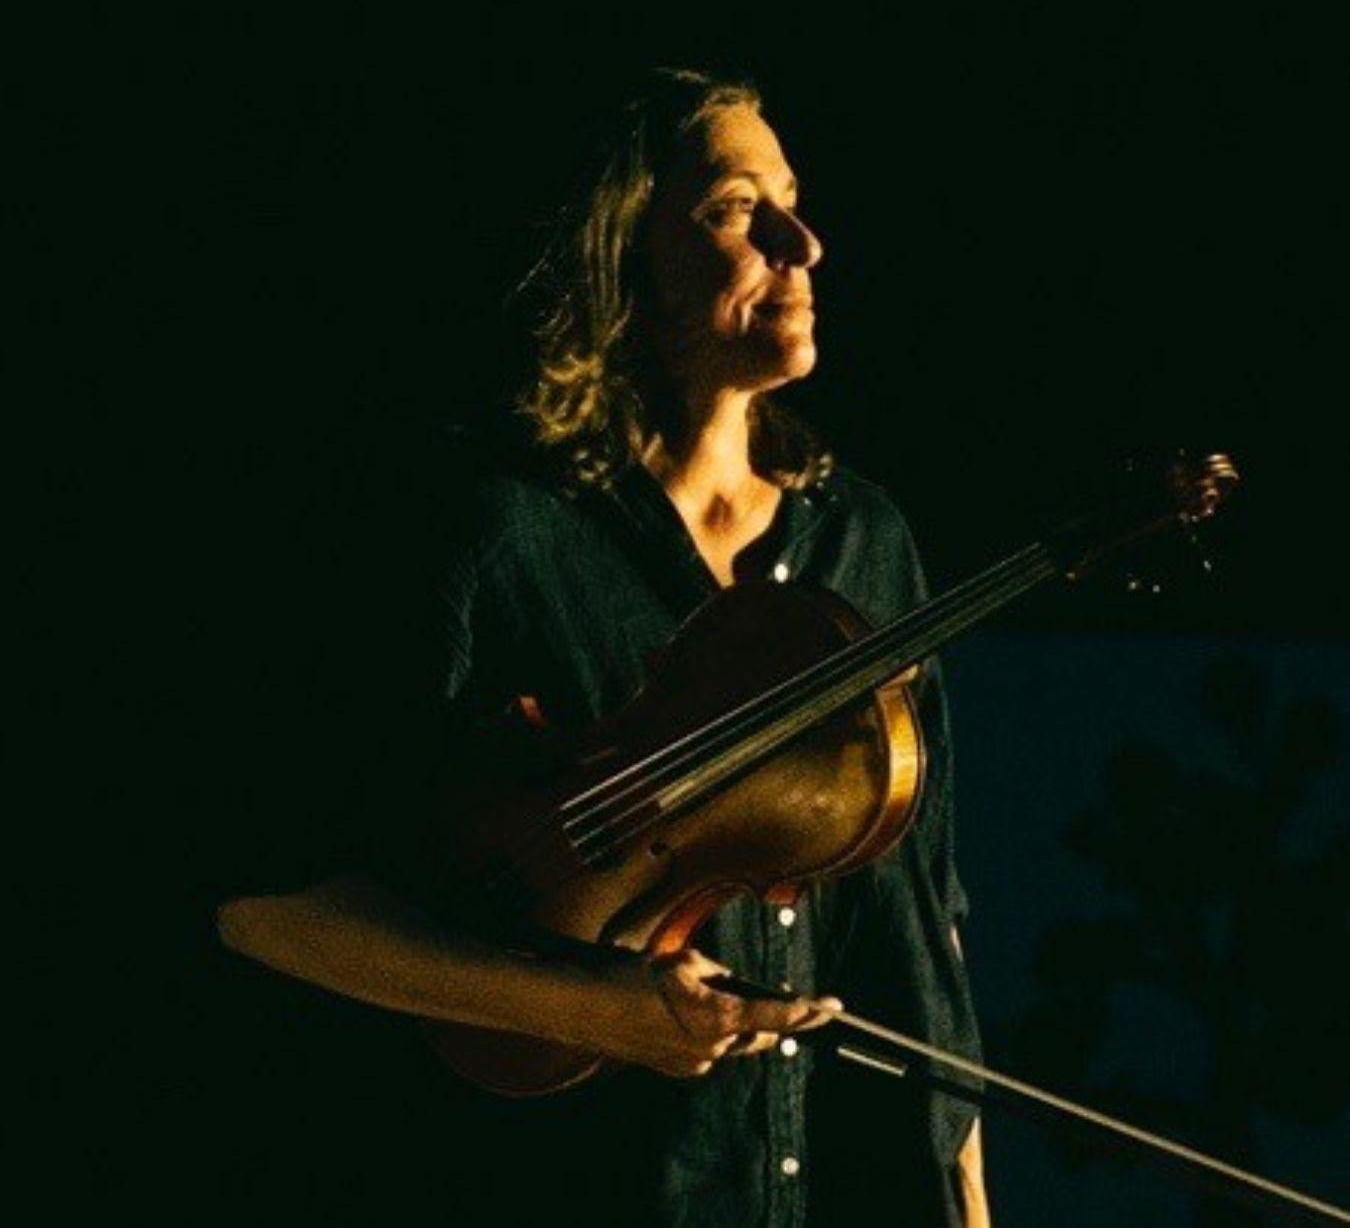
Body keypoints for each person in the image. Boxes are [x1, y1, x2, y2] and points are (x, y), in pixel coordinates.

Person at [218, 67, 990, 1226]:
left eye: (793, 203)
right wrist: (584, 1010)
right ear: (620, 257)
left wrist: (967, 1204)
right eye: (737, 209)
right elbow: (268, 906)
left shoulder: (866, 539)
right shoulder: (502, 534)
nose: (803, 244)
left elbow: (926, 921)